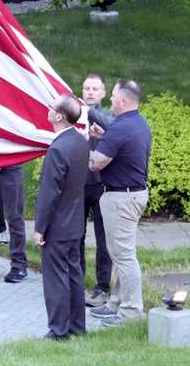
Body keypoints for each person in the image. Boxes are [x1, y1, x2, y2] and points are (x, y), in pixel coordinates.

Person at [87, 78, 151, 326]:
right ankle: (115, 303)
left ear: (123, 100)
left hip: (121, 198)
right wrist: (106, 137)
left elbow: (97, 162)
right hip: (131, 194)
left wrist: (86, 150)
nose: (111, 100)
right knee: (120, 253)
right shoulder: (137, 123)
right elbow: (123, 147)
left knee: (124, 256)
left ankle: (132, 311)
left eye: (113, 96)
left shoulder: (121, 128)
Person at [34, 94, 90, 340]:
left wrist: (40, 228)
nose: (48, 109)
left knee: (56, 279)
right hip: (75, 222)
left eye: (52, 107)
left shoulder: (57, 149)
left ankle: (58, 330)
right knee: (74, 275)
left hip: (58, 225)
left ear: (59, 116)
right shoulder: (80, 141)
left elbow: (49, 193)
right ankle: (78, 326)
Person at [80, 73, 114, 308]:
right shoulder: (76, 118)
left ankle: (102, 287)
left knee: (104, 241)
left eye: (95, 89)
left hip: (102, 185)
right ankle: (75, 282)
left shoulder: (109, 118)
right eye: (86, 88)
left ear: (103, 93)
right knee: (75, 235)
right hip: (78, 185)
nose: (90, 92)